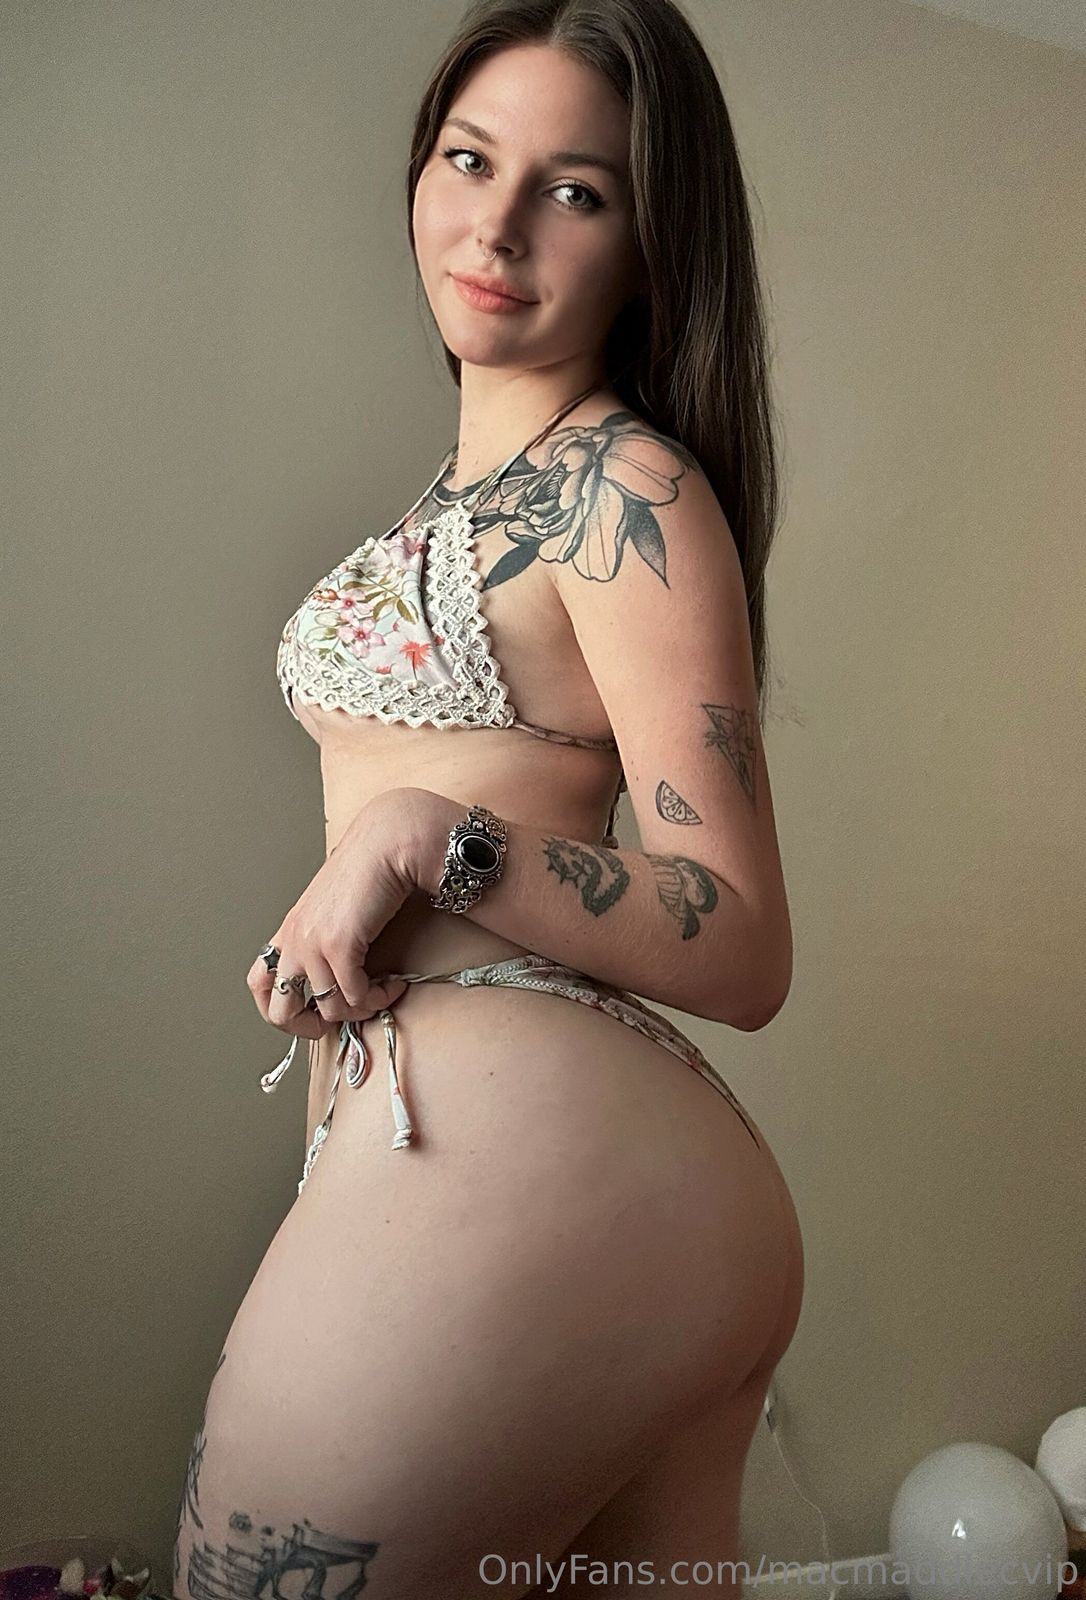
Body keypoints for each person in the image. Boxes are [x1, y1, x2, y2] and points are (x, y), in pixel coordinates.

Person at [173, 2, 804, 1596]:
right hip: (502, 1163)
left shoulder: (623, 489)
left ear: (649, 249)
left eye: (574, 191)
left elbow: (741, 943)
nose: (498, 225)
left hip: (542, 1159)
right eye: (469, 160)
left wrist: (422, 840)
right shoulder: (465, 494)